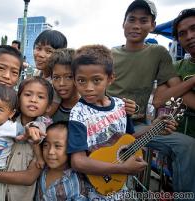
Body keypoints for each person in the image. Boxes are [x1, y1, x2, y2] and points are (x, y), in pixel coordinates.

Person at [106, 0, 195, 194]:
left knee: (186, 145)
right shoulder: (108, 55)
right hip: (106, 123)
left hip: (138, 124)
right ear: (123, 23)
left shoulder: (158, 53)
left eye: (144, 20)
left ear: (152, 26)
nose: (136, 25)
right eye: (131, 20)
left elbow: (176, 88)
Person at [67, 44, 177, 200]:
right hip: (92, 191)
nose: (88, 87)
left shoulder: (121, 105)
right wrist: (122, 168)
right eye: (81, 81)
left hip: (121, 186)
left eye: (96, 80)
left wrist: (155, 127)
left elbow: (128, 139)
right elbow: (78, 162)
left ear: (110, 78)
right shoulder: (78, 114)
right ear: (75, 80)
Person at [0, 77, 53, 201]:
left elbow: (29, 177)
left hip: (18, 196)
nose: (33, 100)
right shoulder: (0, 122)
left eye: (40, 97)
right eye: (27, 94)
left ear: (48, 107)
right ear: (18, 100)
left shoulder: (45, 134)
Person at [35, 121, 89, 201]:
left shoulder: (76, 185)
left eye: (57, 146)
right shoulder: (42, 167)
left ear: (71, 147)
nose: (50, 151)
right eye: (46, 145)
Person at [172, 8, 195, 138]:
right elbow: (158, 99)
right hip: (180, 140)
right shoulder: (175, 68)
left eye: (194, 28)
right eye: (182, 33)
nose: (189, 36)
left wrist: (176, 89)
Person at [33, 30, 68, 116]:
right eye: (38, 48)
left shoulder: (56, 82)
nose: (41, 54)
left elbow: (46, 116)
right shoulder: (37, 73)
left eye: (48, 51)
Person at [48, 48, 80, 122]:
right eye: (56, 77)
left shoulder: (89, 109)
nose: (61, 83)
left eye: (69, 77)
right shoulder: (47, 108)